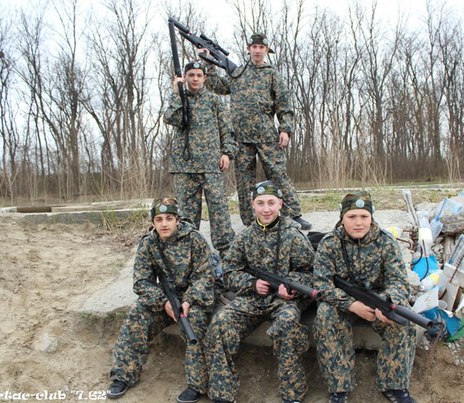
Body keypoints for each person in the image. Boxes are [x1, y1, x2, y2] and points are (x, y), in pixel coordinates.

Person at [205, 180, 315, 403]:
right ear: (252, 205)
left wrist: (291, 287)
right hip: (252, 298)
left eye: (271, 203)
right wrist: (251, 283)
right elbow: (229, 272)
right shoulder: (244, 237)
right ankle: (222, 393)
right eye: (261, 203)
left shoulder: (294, 235)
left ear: (280, 204)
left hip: (285, 301)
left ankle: (293, 394)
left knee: (287, 325)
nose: (266, 209)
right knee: (220, 324)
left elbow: (311, 273)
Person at [199, 34, 312, 231]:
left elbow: (284, 104)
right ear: (248, 48)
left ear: (266, 50)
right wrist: (208, 62)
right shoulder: (238, 73)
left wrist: (285, 129)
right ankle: (250, 221)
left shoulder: (272, 74)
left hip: (266, 135)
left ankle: (293, 214)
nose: (257, 50)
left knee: (278, 174)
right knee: (244, 181)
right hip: (241, 138)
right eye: (254, 47)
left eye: (261, 47)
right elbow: (218, 86)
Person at [107, 198, 215, 403]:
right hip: (164, 299)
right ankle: (123, 375)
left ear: (177, 220)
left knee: (195, 325)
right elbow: (141, 282)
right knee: (137, 314)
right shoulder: (148, 243)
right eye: (159, 219)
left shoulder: (194, 239)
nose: (164, 224)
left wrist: (189, 301)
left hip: (192, 299)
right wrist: (163, 302)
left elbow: (206, 277)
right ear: (153, 222)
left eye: (169, 218)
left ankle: (196, 384)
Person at [313, 191, 417, 403]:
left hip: (377, 302)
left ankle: (394, 385)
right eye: (352, 216)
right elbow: (321, 285)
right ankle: (339, 387)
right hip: (343, 302)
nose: (358, 222)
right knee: (325, 315)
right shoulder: (329, 243)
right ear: (342, 218)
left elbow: (399, 282)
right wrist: (351, 305)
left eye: (364, 216)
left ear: (371, 217)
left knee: (403, 320)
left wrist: (388, 302)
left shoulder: (386, 242)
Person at [164, 61, 236, 257]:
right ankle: (188, 252)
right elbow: (171, 118)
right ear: (185, 77)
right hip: (185, 166)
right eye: (191, 75)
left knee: (219, 211)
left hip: (211, 165)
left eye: (198, 75)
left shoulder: (214, 100)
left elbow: (227, 129)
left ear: (204, 78)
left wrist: (227, 153)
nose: (195, 79)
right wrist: (177, 94)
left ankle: (227, 251)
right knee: (187, 214)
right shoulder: (179, 99)